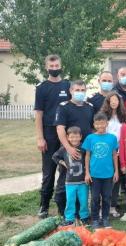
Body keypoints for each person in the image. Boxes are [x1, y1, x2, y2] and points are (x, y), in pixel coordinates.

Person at [34, 54, 71, 218]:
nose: (54, 69)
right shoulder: (42, 87)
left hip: (66, 134)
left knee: (66, 171)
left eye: (57, 66)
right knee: (48, 173)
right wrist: (40, 138)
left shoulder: (68, 85)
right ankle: (44, 205)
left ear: (61, 66)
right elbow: (39, 115)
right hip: (49, 134)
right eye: (52, 66)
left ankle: (63, 206)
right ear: (46, 67)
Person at [54, 80, 94, 215]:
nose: (80, 93)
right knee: (64, 184)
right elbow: (60, 129)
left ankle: (82, 214)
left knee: (83, 184)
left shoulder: (89, 106)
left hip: (86, 153)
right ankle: (63, 214)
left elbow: (92, 128)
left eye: (83, 90)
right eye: (77, 90)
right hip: (69, 152)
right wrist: (68, 148)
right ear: (70, 91)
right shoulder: (64, 107)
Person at [83, 112, 119, 228]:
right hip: (94, 175)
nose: (100, 126)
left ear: (107, 123)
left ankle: (105, 218)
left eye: (102, 124)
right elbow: (87, 156)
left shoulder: (112, 138)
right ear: (94, 124)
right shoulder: (90, 138)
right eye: (97, 124)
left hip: (108, 174)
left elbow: (114, 155)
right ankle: (94, 219)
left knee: (107, 197)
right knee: (94, 198)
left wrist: (116, 171)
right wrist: (87, 173)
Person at [52, 126, 89, 226]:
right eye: (72, 137)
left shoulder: (84, 148)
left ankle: (84, 217)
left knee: (83, 200)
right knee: (70, 201)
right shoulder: (64, 149)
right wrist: (62, 163)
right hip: (70, 182)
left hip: (82, 181)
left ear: (81, 137)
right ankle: (69, 218)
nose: (74, 139)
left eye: (76, 137)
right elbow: (54, 156)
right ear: (67, 137)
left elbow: (89, 157)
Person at [100, 91, 126, 218]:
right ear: (108, 101)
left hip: (120, 151)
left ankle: (112, 206)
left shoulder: (123, 116)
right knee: (106, 180)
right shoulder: (103, 115)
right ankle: (103, 206)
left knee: (116, 180)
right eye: (112, 100)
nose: (114, 102)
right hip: (107, 152)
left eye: (116, 100)